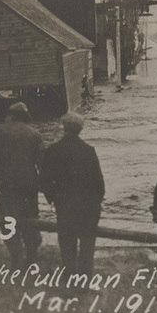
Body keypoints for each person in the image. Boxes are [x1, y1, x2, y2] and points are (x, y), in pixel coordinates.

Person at [40, 113, 105, 276]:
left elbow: (44, 179)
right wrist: (96, 202)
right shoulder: (88, 151)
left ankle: (69, 275)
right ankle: (85, 278)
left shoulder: (53, 150)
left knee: (67, 242)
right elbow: (98, 182)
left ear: (63, 127)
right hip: (88, 205)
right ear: (80, 129)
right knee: (87, 244)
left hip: (64, 204)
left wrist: (53, 198)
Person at [0, 102, 44, 268]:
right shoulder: (35, 134)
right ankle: (31, 258)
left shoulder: (0, 130)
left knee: (8, 220)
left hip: (6, 184)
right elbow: (42, 162)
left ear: (11, 115)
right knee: (30, 219)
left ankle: (16, 258)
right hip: (30, 185)